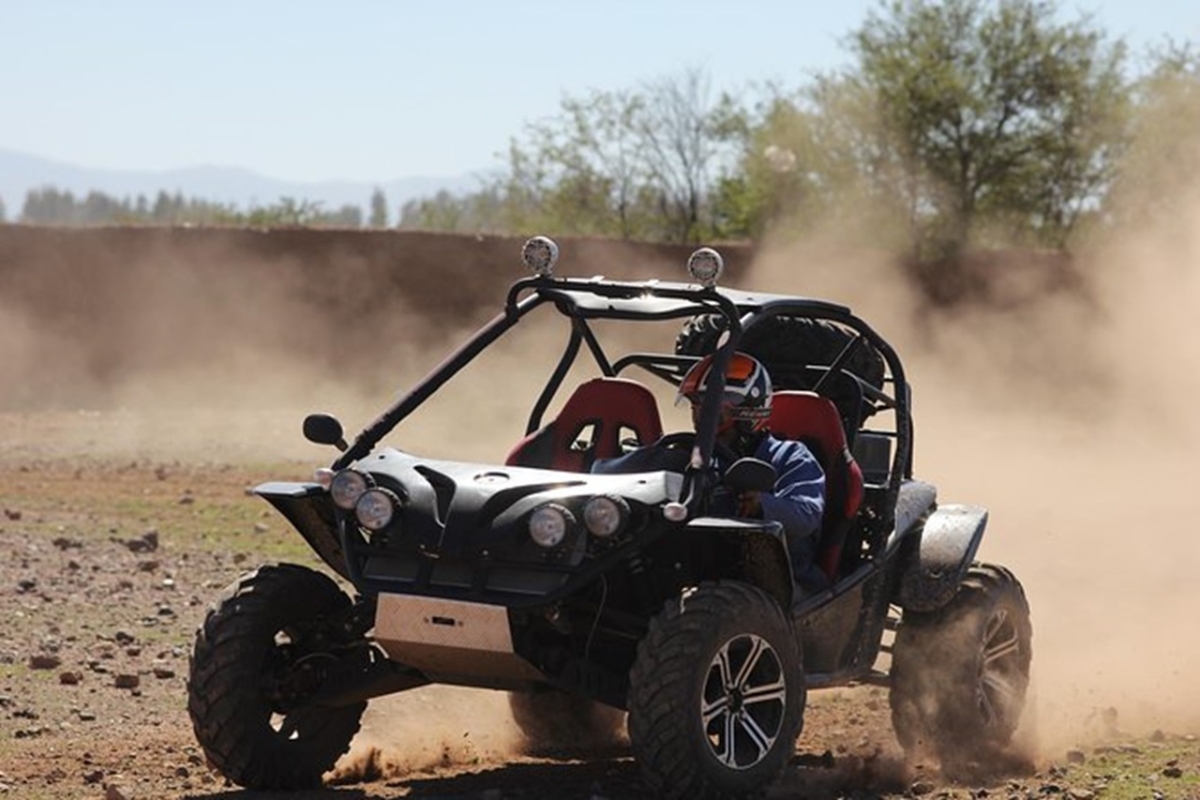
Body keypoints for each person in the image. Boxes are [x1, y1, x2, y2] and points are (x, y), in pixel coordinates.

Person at [676, 351, 827, 590]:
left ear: (746, 409)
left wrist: (761, 505)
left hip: (779, 584)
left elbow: (806, 513)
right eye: (695, 405)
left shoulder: (789, 455)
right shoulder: (693, 457)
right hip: (702, 572)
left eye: (711, 406)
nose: (698, 415)